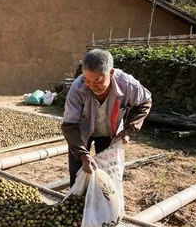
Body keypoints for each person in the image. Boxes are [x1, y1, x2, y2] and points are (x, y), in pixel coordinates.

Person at [61, 49, 152, 187]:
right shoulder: (78, 88)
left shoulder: (127, 84)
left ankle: (102, 204)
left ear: (111, 73)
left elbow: (144, 102)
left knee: (107, 176)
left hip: (109, 134)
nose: (92, 86)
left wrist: (129, 129)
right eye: (87, 80)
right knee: (77, 172)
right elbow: (69, 125)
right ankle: (79, 201)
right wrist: (82, 154)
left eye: (97, 80)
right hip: (81, 133)